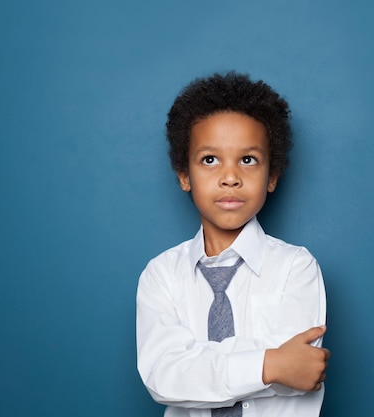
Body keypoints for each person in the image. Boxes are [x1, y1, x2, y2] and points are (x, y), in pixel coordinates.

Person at [136, 72, 329, 417]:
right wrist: (269, 363)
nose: (230, 177)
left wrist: (197, 367)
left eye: (248, 159)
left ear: (272, 176)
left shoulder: (296, 268)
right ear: (184, 175)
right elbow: (163, 378)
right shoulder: (162, 275)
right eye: (210, 159)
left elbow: (300, 374)